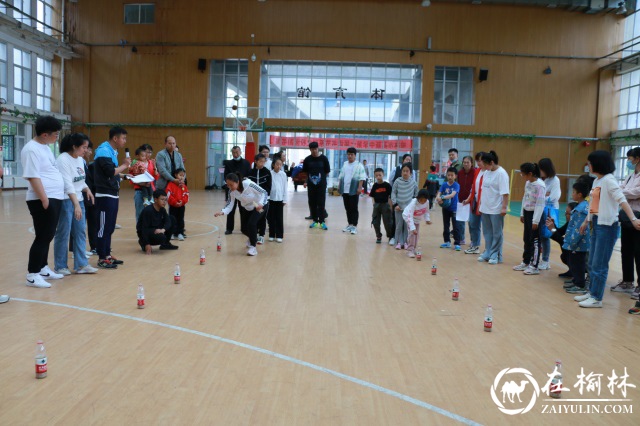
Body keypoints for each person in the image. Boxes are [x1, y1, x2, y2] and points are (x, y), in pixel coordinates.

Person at [574, 150, 640, 308]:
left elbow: (622, 200)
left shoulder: (609, 181)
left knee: (599, 264)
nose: (588, 165)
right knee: (592, 262)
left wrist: (634, 219)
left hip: (607, 226)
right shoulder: (597, 181)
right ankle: (591, 292)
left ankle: (597, 298)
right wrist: (586, 221)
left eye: (590, 163)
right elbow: (593, 204)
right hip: (596, 223)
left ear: (598, 163)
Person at [22, 116, 65, 288]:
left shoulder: (45, 147)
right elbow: (33, 176)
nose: (57, 138)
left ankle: (42, 267)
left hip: (54, 196)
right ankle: (32, 274)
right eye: (55, 134)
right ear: (45, 134)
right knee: (43, 236)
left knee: (48, 235)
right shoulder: (31, 149)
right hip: (42, 199)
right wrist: (44, 199)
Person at [53, 133, 98, 275]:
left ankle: (81, 264)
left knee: (79, 232)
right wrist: (76, 205)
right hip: (66, 200)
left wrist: (87, 189)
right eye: (84, 147)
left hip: (78, 199)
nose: (86, 150)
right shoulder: (62, 160)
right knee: (63, 233)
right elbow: (67, 183)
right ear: (74, 146)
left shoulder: (79, 160)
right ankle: (60, 266)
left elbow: (79, 179)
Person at [93, 126, 132, 269]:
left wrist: (127, 176)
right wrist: (125, 165)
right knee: (103, 227)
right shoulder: (104, 151)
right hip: (104, 195)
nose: (124, 141)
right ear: (115, 138)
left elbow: (113, 173)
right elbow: (110, 172)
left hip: (112, 193)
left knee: (109, 227)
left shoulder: (111, 152)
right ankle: (102, 258)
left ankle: (107, 255)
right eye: (123, 138)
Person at [214, 173, 269, 256]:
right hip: (247, 207)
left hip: (260, 205)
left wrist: (261, 203)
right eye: (228, 185)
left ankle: (253, 247)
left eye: (231, 185)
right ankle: (253, 238)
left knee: (252, 223)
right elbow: (230, 204)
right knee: (243, 229)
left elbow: (264, 192)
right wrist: (222, 212)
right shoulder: (231, 192)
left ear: (237, 182)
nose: (229, 187)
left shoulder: (249, 184)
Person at [613, 147, 640, 297]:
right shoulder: (630, 176)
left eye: (630, 158)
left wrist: (623, 193)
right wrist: (625, 193)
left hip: (638, 216)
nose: (629, 161)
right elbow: (622, 189)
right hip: (626, 216)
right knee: (626, 250)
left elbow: (637, 192)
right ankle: (627, 281)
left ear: (638, 158)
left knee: (638, 251)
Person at [512, 163, 546, 275]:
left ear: (530, 174)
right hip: (527, 213)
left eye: (523, 174)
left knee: (535, 240)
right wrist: (522, 213)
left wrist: (535, 221)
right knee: (526, 238)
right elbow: (524, 197)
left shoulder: (540, 186)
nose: (522, 176)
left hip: (535, 215)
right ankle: (526, 261)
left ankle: (534, 265)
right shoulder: (528, 183)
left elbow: (540, 204)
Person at [477, 151, 510, 265]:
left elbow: (505, 193)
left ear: (491, 162)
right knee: (487, 232)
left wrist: (504, 207)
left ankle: (495, 254)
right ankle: (488, 251)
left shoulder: (501, 173)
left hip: (496, 208)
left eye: (485, 164)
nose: (484, 167)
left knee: (497, 233)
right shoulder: (486, 172)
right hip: (485, 207)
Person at [561, 181, 592, 294]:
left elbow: (580, 228)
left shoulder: (583, 209)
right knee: (574, 262)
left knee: (578, 263)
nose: (572, 194)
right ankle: (575, 280)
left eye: (574, 192)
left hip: (579, 243)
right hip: (574, 242)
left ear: (579, 194)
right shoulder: (579, 206)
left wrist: (573, 241)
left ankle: (580, 284)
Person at [136, 189, 179, 254]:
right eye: (162, 199)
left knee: (172, 219)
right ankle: (143, 243)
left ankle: (165, 244)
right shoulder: (148, 211)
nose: (164, 202)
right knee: (161, 237)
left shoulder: (162, 209)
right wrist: (147, 244)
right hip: (146, 231)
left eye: (165, 200)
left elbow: (168, 222)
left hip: (155, 228)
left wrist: (163, 230)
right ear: (155, 200)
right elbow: (143, 229)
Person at [222, 145, 251, 234]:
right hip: (231, 189)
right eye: (233, 152)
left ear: (240, 152)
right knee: (231, 208)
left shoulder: (246, 163)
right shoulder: (228, 163)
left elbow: (249, 176)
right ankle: (229, 228)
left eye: (237, 152)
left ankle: (244, 228)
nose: (235, 154)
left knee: (243, 209)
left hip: (243, 190)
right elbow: (225, 176)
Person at [302, 142, 331, 230]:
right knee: (312, 203)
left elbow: (327, 171)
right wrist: (306, 181)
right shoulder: (307, 159)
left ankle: (322, 222)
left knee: (321, 202)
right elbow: (305, 172)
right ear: (310, 150)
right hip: (311, 185)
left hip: (321, 185)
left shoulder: (323, 159)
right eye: (312, 149)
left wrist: (321, 180)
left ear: (318, 148)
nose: (314, 151)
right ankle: (315, 220)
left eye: (316, 149)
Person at [338, 147, 366, 235]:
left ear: (355, 155)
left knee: (354, 208)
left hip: (353, 189)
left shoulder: (359, 165)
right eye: (348, 154)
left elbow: (362, 177)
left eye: (351, 154)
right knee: (347, 208)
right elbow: (341, 176)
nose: (349, 156)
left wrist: (359, 187)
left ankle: (354, 226)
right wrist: (339, 186)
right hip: (345, 190)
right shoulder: (345, 164)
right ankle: (349, 224)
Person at [538, 158, 560, 270]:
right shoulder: (543, 180)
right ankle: (541, 258)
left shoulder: (555, 180)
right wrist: (545, 195)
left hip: (550, 211)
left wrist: (544, 196)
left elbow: (554, 197)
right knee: (542, 235)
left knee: (548, 234)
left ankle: (546, 260)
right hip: (541, 209)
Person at [462, 152, 485, 255]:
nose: (478, 162)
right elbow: (473, 187)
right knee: (472, 224)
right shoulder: (478, 171)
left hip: (485, 203)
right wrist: (468, 199)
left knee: (487, 228)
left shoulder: (489, 172)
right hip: (475, 202)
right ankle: (475, 245)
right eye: (477, 160)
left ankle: (490, 250)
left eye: (480, 160)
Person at [391, 163, 418, 250]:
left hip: (409, 210)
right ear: (401, 172)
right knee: (399, 225)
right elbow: (393, 193)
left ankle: (406, 242)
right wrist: (395, 204)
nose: (405, 173)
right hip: (398, 208)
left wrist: (412, 206)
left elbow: (416, 194)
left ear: (410, 172)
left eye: (407, 171)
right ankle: (399, 242)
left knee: (407, 226)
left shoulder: (413, 182)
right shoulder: (397, 181)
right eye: (403, 171)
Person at [248, 153, 272, 244]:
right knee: (253, 217)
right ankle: (254, 235)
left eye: (263, 162)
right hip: (253, 200)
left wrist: (264, 198)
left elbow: (269, 187)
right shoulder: (250, 172)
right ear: (255, 161)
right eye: (260, 161)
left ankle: (261, 235)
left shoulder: (267, 172)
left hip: (264, 200)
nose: (262, 163)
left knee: (262, 217)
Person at [436, 167, 461, 250]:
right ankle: (447, 242)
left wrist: (442, 197)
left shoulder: (456, 185)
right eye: (448, 175)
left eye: (452, 175)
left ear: (455, 176)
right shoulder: (444, 184)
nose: (450, 177)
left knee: (456, 226)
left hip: (454, 208)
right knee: (446, 225)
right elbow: (439, 192)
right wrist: (438, 197)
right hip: (445, 208)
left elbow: (452, 195)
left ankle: (457, 243)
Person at [402, 189, 432, 258]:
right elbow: (409, 216)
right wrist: (412, 228)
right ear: (418, 198)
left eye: (424, 200)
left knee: (416, 235)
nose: (422, 202)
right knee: (412, 234)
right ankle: (409, 250)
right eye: (421, 200)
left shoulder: (427, 202)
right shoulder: (413, 203)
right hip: (408, 217)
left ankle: (413, 249)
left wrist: (427, 219)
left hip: (417, 219)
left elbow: (426, 211)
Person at [370, 168, 394, 244]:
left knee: (388, 221)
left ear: (383, 175)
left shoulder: (387, 185)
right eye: (376, 175)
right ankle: (378, 235)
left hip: (385, 205)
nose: (378, 177)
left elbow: (390, 197)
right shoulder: (375, 185)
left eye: (380, 175)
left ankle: (390, 236)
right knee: (375, 221)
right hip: (376, 205)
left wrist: (390, 206)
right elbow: (372, 196)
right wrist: (374, 204)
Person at [129, 146, 154, 222]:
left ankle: (149, 232)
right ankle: (140, 233)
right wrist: (142, 183)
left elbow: (156, 176)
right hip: (139, 190)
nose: (147, 154)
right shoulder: (136, 163)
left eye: (150, 152)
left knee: (150, 215)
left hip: (150, 189)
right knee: (140, 213)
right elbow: (131, 179)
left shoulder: (151, 163)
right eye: (146, 152)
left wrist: (155, 167)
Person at [456, 156, 476, 245]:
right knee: (460, 221)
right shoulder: (460, 173)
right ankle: (461, 238)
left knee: (471, 222)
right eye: (464, 162)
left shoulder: (475, 172)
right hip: (461, 200)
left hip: (471, 200)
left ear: (471, 163)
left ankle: (473, 240)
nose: (466, 164)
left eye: (468, 162)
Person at [165, 168, 189, 241]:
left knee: (180, 220)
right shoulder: (170, 185)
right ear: (175, 175)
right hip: (173, 206)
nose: (182, 177)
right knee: (172, 219)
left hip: (181, 206)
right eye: (180, 175)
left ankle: (180, 233)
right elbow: (168, 195)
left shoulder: (184, 186)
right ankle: (171, 233)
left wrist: (182, 202)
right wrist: (175, 202)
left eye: (183, 175)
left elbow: (186, 195)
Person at [268, 157, 288, 242]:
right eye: (277, 164)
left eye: (280, 164)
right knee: (271, 218)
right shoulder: (269, 173)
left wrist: (285, 199)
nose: (278, 166)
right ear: (273, 165)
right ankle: (272, 234)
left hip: (280, 199)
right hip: (271, 199)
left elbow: (285, 187)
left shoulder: (283, 174)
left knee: (279, 218)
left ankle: (279, 235)